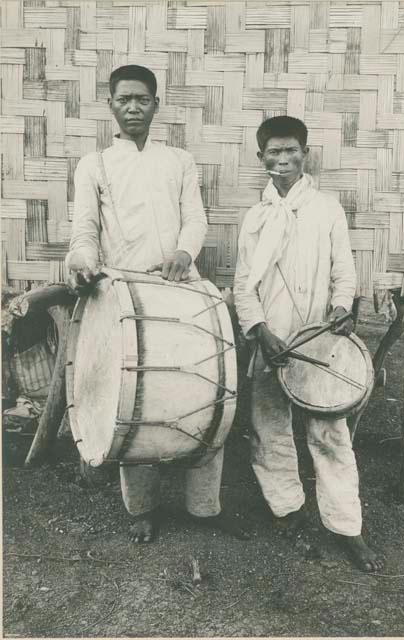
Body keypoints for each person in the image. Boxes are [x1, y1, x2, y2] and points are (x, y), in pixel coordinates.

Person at [66, 64, 247, 543]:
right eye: (124, 99)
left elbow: (196, 218)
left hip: (183, 289)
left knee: (206, 390)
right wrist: (83, 261)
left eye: (142, 99)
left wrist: (184, 252)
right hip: (125, 295)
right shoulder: (95, 165)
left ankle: (204, 508)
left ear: (155, 105)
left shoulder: (179, 161)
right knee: (133, 399)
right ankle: (141, 508)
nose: (133, 107)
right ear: (111, 105)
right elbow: (84, 232)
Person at [233, 115, 384, 571]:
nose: (283, 159)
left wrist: (341, 307)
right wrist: (260, 330)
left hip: (319, 344)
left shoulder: (326, 209)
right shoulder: (256, 218)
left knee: (331, 433)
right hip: (271, 341)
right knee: (269, 428)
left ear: (305, 153)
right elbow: (244, 285)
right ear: (261, 159)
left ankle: (346, 527)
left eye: (291, 150)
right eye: (273, 152)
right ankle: (288, 509)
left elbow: (344, 272)